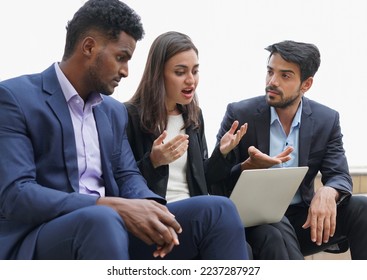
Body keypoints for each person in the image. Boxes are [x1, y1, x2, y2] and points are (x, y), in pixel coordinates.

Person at [0, 0, 249, 260]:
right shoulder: (14, 98)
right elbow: (16, 194)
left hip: (109, 229)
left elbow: (128, 176)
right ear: (89, 47)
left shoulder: (112, 112)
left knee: (217, 211)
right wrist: (108, 205)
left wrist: (153, 210)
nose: (126, 71)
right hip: (40, 237)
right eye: (121, 58)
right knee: (103, 219)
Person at [211, 40, 367, 260]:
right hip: (252, 223)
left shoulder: (326, 119)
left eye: (285, 76)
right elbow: (214, 180)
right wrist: (247, 167)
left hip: (301, 220)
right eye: (270, 72)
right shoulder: (240, 113)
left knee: (363, 206)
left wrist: (328, 191)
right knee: (274, 226)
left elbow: (339, 175)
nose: (272, 82)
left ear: (306, 84)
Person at [124, 31, 252, 257]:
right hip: (158, 217)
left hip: (195, 214)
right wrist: (154, 161)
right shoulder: (129, 116)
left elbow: (202, 177)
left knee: (249, 244)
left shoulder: (193, 116)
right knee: (221, 209)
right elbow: (123, 181)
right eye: (180, 72)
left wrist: (222, 154)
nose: (191, 80)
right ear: (158, 74)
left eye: (195, 71)